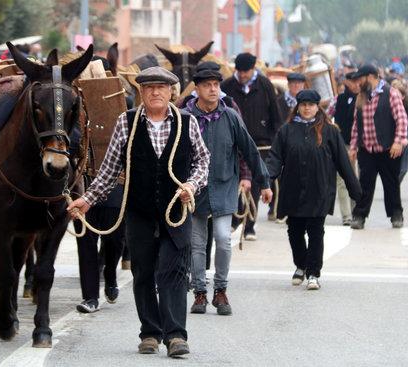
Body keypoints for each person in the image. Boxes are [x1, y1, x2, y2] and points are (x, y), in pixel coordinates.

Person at [67, 66, 210, 358]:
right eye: (149, 88)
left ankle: (175, 336)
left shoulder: (187, 122)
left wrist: (191, 185)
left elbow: (202, 161)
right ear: (140, 92)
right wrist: (88, 200)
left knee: (173, 271)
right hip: (139, 211)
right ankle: (149, 333)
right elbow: (109, 171)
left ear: (172, 91)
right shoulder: (126, 122)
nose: (155, 92)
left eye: (161, 87)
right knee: (143, 272)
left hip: (176, 212)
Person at [184, 62, 272, 315]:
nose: (213, 90)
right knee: (197, 245)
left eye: (216, 85)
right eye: (207, 85)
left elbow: (250, 151)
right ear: (197, 89)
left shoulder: (230, 116)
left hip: (224, 186)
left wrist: (263, 182)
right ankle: (199, 292)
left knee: (223, 239)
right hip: (194, 190)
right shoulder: (186, 118)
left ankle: (220, 289)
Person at [266, 90, 361, 290]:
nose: (307, 108)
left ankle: (313, 273)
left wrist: (356, 191)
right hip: (293, 189)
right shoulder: (286, 131)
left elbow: (343, 162)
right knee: (294, 231)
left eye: (311, 104)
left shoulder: (330, 131)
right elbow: (275, 159)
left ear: (318, 107)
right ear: (298, 106)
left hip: (320, 190)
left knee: (316, 231)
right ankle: (301, 264)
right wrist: (266, 181)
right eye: (303, 104)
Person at [221, 52, 282, 240]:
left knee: (255, 184)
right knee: (234, 181)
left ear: (253, 69)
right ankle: (234, 219)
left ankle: (250, 226)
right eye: (239, 71)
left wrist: (276, 140)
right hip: (234, 142)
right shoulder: (227, 86)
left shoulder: (265, 86)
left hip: (260, 144)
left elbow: (275, 114)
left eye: (246, 71)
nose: (242, 75)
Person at [349, 64, 408, 230]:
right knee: (364, 185)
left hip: (388, 149)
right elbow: (356, 124)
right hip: (367, 149)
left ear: (371, 77)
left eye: (360, 79)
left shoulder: (391, 93)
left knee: (391, 184)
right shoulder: (361, 97)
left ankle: (396, 214)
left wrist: (399, 141)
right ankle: (359, 216)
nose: (358, 82)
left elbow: (402, 119)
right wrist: (353, 147)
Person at [74, 181, 125, 313]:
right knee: (86, 246)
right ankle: (90, 298)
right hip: (83, 187)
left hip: (116, 188)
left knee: (115, 241)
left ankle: (110, 275)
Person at [328, 71, 360, 225]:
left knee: (357, 179)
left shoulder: (364, 100)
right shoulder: (338, 99)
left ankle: (357, 212)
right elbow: (326, 116)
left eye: (358, 81)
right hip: (341, 145)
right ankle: (347, 215)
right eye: (353, 81)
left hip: (360, 146)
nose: (356, 84)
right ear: (346, 82)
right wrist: (332, 127)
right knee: (342, 180)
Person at [391, 79, 408, 183]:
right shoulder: (388, 104)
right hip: (392, 140)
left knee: (403, 168)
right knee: (392, 168)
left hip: (404, 139)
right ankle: (393, 186)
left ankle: (395, 184)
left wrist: (406, 139)